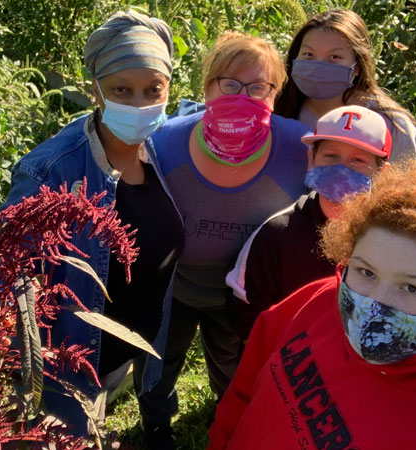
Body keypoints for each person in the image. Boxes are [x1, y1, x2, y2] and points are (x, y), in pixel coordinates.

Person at [0, 10, 184, 437]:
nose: (140, 104)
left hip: (118, 359)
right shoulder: (53, 171)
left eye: (152, 90)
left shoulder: (157, 147)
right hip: (67, 373)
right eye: (121, 89)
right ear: (95, 91)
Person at [208, 163, 416, 449]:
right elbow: (245, 388)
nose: (374, 304)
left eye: (412, 288)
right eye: (367, 272)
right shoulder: (320, 299)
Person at [138, 31, 311, 448]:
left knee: (235, 369)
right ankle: (157, 428)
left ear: (276, 94)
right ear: (207, 87)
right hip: (172, 288)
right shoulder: (163, 143)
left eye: (258, 87)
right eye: (229, 84)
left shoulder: (300, 148)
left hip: (243, 295)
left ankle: (233, 421)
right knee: (156, 363)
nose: (243, 96)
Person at [226, 105, 392, 340]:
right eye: (331, 156)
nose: (342, 168)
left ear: (381, 173)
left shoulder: (396, 243)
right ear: (311, 159)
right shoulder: (277, 233)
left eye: (358, 160)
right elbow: (247, 315)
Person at [275, 9, 416, 164]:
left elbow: (405, 187)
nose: (317, 66)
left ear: (357, 66)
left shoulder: (394, 127)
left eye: (334, 57)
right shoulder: (275, 111)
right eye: (308, 55)